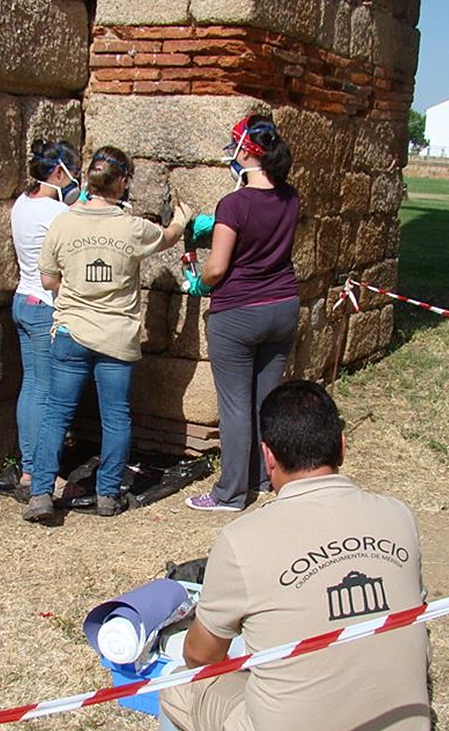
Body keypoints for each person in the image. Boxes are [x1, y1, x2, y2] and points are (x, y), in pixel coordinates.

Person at [162, 381, 432, 731]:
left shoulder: (243, 539)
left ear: (267, 456)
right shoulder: (398, 515)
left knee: (177, 686)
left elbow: (200, 658)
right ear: (343, 445)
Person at [23, 146, 193, 522]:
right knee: (115, 418)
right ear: (123, 182)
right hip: (116, 336)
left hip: (71, 332)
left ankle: (40, 494)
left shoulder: (63, 223)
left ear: (87, 181)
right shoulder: (131, 227)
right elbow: (167, 237)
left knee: (56, 414)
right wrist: (182, 219)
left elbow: (49, 279)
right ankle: (107, 495)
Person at [184, 115, 301, 513]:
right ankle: (265, 476)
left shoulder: (233, 204)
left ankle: (230, 493)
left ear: (247, 152)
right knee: (264, 401)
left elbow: (217, 267)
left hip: (238, 312)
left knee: (234, 404)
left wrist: (199, 282)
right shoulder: (291, 197)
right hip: (282, 307)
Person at [10, 140, 83, 501]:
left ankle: (28, 466)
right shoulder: (56, 214)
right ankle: (40, 472)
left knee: (31, 386)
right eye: (74, 173)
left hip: (23, 300)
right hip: (44, 307)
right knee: (46, 391)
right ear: (59, 173)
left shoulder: (22, 204)